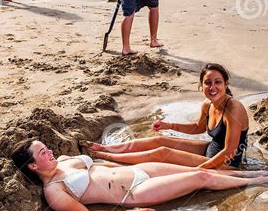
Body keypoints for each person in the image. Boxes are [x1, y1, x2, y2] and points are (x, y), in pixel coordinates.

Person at [10, 138, 268, 211]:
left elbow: (103, 165)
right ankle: (260, 180)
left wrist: (114, 153)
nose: (51, 152)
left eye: (47, 148)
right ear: (33, 165)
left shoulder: (66, 160)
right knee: (200, 175)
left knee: (206, 171)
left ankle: (249, 173)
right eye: (43, 153)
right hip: (134, 192)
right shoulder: (54, 192)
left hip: (140, 171)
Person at [82, 63, 250, 169]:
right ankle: (105, 148)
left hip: (226, 164)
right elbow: (198, 127)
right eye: (208, 83)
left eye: (217, 82)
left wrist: (201, 169)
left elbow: (230, 151)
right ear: (201, 86)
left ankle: (104, 156)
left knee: (162, 153)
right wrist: (168, 126)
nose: (212, 87)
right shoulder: (207, 104)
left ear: (226, 84)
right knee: (159, 140)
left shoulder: (234, 108)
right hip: (211, 149)